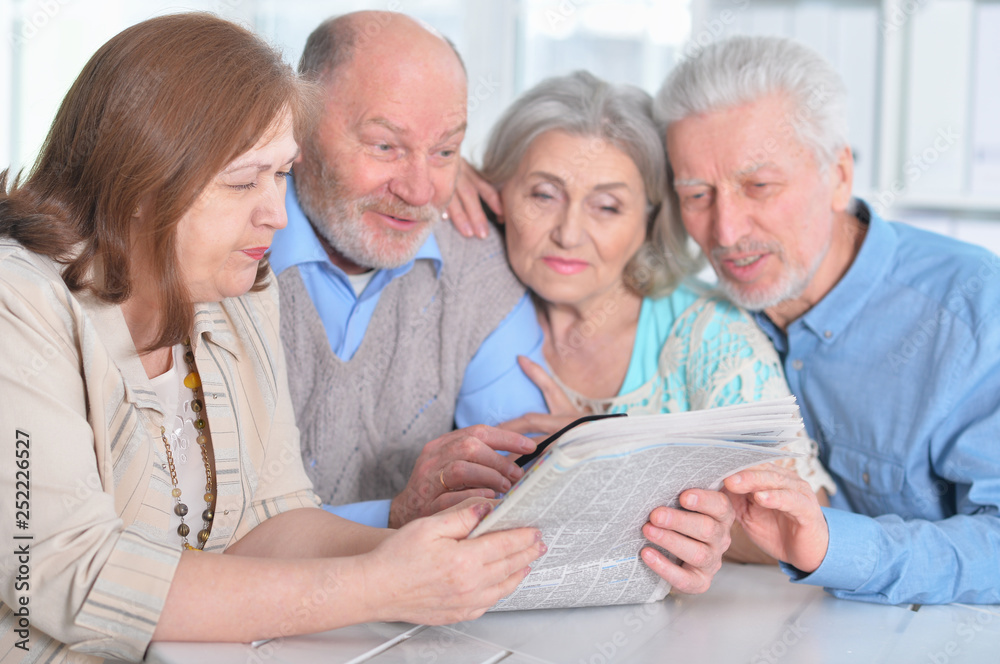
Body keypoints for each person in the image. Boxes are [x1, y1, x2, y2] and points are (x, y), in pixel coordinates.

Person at [0, 14, 545, 664]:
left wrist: (446, 553)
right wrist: (377, 585)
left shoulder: (241, 287)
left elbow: (271, 521)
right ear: (142, 181)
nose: (277, 215)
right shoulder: (20, 303)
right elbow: (70, 575)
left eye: (281, 174)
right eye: (242, 182)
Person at [654, 36, 1000, 605]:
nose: (725, 232)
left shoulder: (972, 308)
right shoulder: (698, 322)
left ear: (839, 175)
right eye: (696, 195)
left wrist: (831, 545)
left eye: (759, 186)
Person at [474, 71, 833, 571]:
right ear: (499, 197)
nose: (569, 233)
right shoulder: (476, 306)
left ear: (648, 221)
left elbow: (804, 524)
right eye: (543, 194)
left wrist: (618, 458)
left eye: (607, 206)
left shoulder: (710, 333)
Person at [270, 11, 548, 530]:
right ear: (298, 125)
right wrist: (394, 518)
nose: (420, 192)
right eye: (385, 146)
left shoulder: (477, 264)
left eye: (445, 151)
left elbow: (527, 496)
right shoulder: (219, 253)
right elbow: (193, 535)